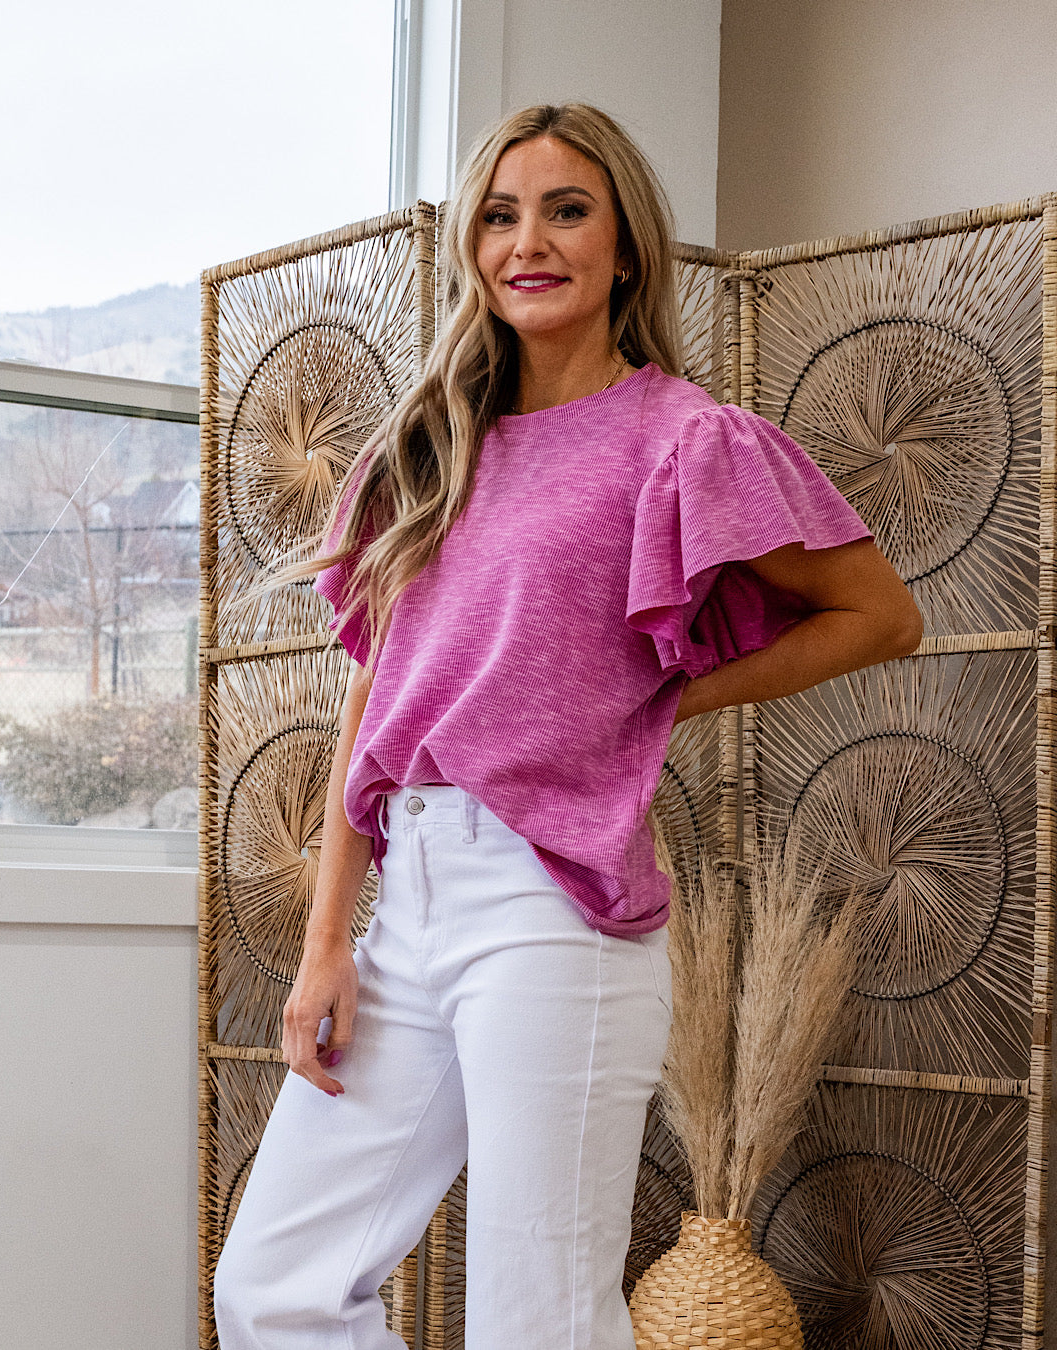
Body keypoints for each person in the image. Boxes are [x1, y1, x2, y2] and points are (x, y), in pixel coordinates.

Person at [212, 102, 923, 1349]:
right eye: (499, 216)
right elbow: (376, 699)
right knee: (276, 1289)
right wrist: (329, 943)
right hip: (409, 904)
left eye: (566, 210)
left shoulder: (684, 440)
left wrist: (663, 696)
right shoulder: (425, 450)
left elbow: (880, 615)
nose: (527, 242)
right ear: (472, 248)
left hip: (553, 910)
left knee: (535, 1323)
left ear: (626, 248)